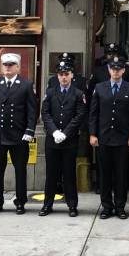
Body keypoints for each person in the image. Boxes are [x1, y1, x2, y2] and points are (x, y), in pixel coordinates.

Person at [0, 52, 38, 215]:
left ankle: (20, 202)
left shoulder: (26, 85)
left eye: (11, 65)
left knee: (20, 171)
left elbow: (32, 111)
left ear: (18, 67)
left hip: (19, 135)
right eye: (5, 65)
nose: (7, 68)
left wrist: (29, 130)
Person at [89, 55, 129, 219]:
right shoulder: (99, 88)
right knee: (104, 175)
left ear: (123, 70)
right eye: (113, 69)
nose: (116, 72)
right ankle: (106, 207)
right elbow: (93, 113)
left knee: (121, 175)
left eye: (119, 69)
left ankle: (120, 207)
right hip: (103, 138)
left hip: (122, 139)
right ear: (109, 70)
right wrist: (92, 134)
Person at [40, 59, 87, 217]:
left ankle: (72, 205)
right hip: (52, 140)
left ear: (72, 75)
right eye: (61, 74)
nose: (64, 77)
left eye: (66, 74)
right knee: (51, 174)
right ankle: (47, 205)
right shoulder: (50, 92)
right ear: (57, 76)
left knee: (69, 174)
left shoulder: (78, 94)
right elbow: (45, 113)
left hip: (70, 141)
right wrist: (54, 132)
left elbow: (79, 115)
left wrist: (65, 133)